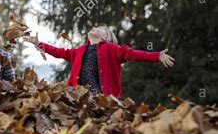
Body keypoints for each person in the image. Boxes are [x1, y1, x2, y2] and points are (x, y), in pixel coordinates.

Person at [24, 26, 175, 97]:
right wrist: (38, 44)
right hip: (78, 96)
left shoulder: (113, 49)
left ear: (106, 37)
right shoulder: (79, 51)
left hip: (102, 97)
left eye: (99, 28)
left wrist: (157, 56)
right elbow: (59, 52)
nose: (94, 27)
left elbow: (134, 54)